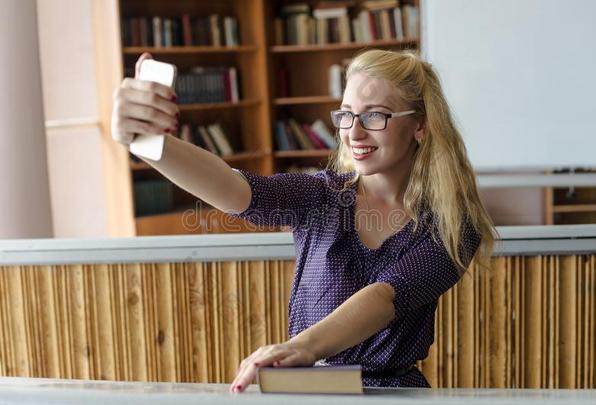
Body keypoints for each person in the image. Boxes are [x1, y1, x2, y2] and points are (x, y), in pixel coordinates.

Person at [111, 49, 496, 393]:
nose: (353, 132)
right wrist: (148, 145)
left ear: (420, 125)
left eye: (375, 115)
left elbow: (386, 296)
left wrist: (301, 347)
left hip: (393, 395)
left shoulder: (454, 226)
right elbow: (235, 190)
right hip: (311, 389)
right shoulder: (321, 195)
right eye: (346, 115)